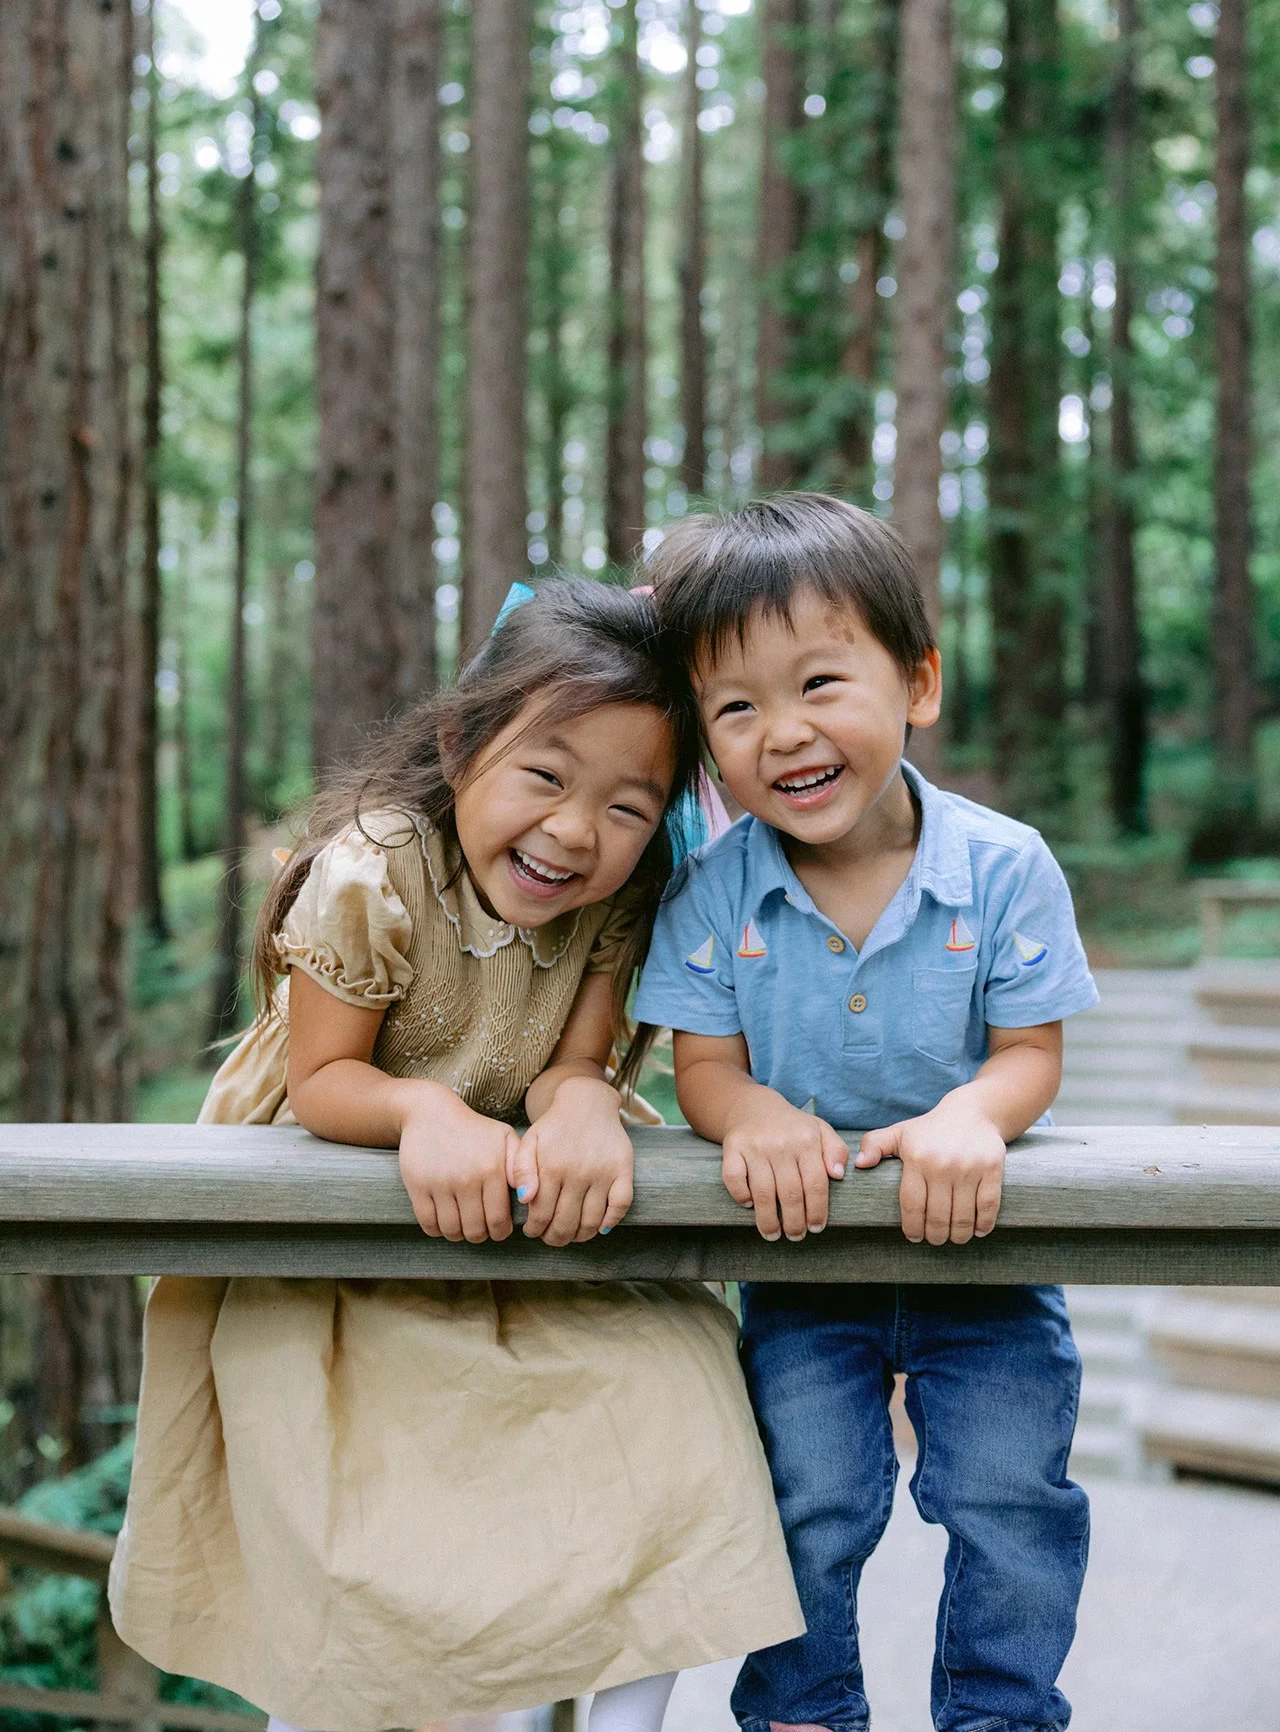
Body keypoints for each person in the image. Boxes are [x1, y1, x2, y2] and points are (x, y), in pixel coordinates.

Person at [109, 578, 802, 1732]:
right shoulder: (373, 868)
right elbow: (328, 1081)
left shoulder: (619, 900)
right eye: (543, 774)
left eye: (629, 806)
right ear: (460, 739)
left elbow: (572, 1065)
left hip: (512, 1212)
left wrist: (580, 1102)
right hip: (344, 1218)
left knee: (681, 1399)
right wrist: (426, 1116)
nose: (576, 830)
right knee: (377, 1517)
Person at [635, 496, 1098, 1732]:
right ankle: (799, 1712)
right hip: (800, 1258)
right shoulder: (711, 891)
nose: (782, 732)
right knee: (806, 1496)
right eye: (735, 707)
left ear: (916, 683)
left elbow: (1028, 1053)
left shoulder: (1002, 866)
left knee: (1011, 1499)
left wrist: (975, 1116)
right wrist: (750, 1117)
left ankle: (1000, 1713)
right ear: (702, 742)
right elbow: (702, 1068)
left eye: (820, 683)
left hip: (987, 1259)